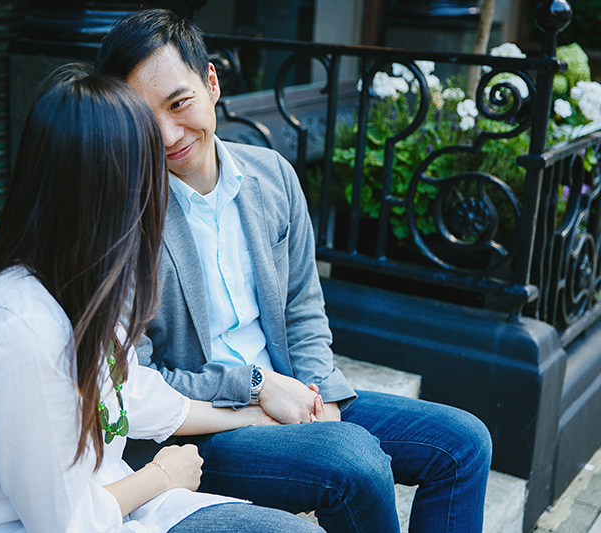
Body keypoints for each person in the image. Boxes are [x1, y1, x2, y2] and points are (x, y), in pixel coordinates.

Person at [96, 9, 493, 533]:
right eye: (145, 120)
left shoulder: (273, 176)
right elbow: (141, 381)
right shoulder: (126, 221)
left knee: (463, 443)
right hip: (202, 432)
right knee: (352, 460)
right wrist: (255, 385)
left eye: (179, 103)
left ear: (211, 82)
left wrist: (322, 396)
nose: (168, 135)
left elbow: (303, 306)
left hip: (295, 393)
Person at [0, 66, 324, 533]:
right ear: (106, 192)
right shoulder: (24, 331)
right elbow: (67, 523)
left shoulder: (79, 283)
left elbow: (134, 395)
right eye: (147, 173)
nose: (159, 193)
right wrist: (162, 475)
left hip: (120, 502)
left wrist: (254, 412)